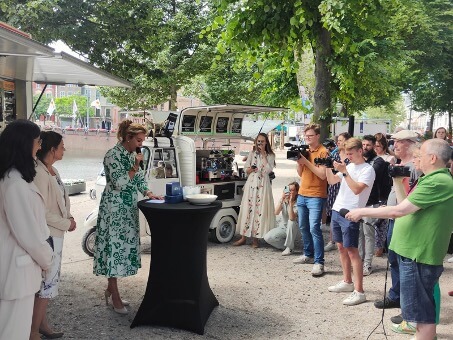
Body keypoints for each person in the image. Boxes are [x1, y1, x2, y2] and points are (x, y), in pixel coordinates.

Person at [346, 139, 453, 340]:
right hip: (413, 253)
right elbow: (405, 204)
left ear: (432, 158)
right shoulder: (430, 179)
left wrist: (361, 211)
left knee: (421, 313)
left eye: (419, 154)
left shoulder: (438, 181)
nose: (416, 158)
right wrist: (397, 180)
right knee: (420, 311)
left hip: (418, 254)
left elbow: (398, 211)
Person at [93, 120, 162, 314]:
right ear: (128, 137)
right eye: (139, 140)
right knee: (113, 251)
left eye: (143, 140)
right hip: (114, 209)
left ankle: (111, 289)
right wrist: (135, 166)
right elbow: (119, 182)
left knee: (122, 250)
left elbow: (138, 179)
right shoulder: (112, 155)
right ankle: (114, 296)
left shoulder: (132, 154)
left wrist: (149, 193)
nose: (141, 144)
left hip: (128, 207)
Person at [0, 120, 53, 340]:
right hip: (16, 273)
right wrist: (48, 259)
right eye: (38, 141)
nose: (40, 146)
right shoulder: (15, 184)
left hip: (18, 271)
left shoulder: (15, 178)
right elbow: (29, 236)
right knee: (12, 333)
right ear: (25, 144)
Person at [31, 131, 76, 339]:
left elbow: (59, 201)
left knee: (48, 284)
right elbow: (41, 210)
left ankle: (42, 325)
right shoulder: (39, 173)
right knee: (46, 285)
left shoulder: (53, 171)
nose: (64, 149)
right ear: (52, 149)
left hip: (57, 233)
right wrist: (66, 222)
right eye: (62, 146)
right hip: (49, 234)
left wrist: (68, 216)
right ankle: (33, 331)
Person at [373, 130, 421, 312]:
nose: (394, 145)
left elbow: (410, 197)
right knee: (393, 257)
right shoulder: (399, 163)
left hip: (406, 218)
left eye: (398, 142)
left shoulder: (415, 167)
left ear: (409, 143)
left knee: (404, 261)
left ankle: (405, 300)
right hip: (395, 217)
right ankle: (397, 295)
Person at [325, 138, 375, 305]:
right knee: (340, 247)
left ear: (360, 151)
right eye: (347, 154)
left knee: (353, 251)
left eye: (351, 154)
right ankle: (347, 281)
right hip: (338, 209)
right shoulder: (349, 166)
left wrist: (344, 172)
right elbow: (332, 181)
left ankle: (359, 291)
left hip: (352, 213)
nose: (348, 157)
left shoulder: (367, 170)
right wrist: (327, 166)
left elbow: (356, 190)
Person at [292, 124, 328, 276]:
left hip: (316, 195)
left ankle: (319, 262)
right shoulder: (305, 150)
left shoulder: (323, 152)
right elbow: (301, 173)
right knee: (303, 226)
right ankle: (308, 254)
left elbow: (322, 175)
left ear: (318, 136)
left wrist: (306, 162)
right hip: (303, 193)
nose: (308, 139)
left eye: (311, 136)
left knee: (314, 228)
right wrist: (299, 161)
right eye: (306, 136)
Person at [234, 133, 276, 248]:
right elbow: (246, 169)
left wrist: (263, 155)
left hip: (263, 185)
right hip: (251, 184)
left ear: (266, 142)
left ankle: (255, 239)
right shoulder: (252, 154)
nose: (260, 143)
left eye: (262, 141)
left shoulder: (271, 155)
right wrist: (250, 169)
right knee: (248, 208)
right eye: (258, 141)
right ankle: (243, 237)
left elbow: (268, 170)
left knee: (259, 208)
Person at [359, 135, 389, 276]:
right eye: (363, 145)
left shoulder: (378, 162)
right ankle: (359, 261)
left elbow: (369, 177)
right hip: (359, 202)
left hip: (372, 202)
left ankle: (367, 264)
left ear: (374, 146)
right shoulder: (360, 162)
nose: (365, 147)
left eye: (368, 145)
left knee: (368, 234)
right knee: (359, 234)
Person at [324, 132, 351, 252]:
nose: (338, 142)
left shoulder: (350, 157)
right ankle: (332, 240)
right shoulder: (334, 154)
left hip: (345, 187)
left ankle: (344, 240)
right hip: (333, 187)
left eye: (341, 140)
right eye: (338, 140)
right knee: (332, 213)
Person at [373, 132, 396, 257]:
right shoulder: (370, 158)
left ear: (383, 146)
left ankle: (379, 247)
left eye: (378, 145)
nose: (376, 148)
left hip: (383, 192)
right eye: (374, 145)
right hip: (371, 193)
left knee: (381, 222)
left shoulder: (389, 158)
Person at [264, 182, 300, 255]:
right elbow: (276, 212)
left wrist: (290, 203)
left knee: (291, 222)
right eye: (288, 190)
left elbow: (292, 217)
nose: (289, 192)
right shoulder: (284, 200)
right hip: (283, 227)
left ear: (296, 192)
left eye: (292, 190)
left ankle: (289, 247)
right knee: (268, 237)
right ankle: (286, 246)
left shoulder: (299, 202)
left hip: (295, 229)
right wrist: (282, 199)